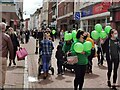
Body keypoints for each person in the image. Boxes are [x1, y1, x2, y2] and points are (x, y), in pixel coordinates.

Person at [0, 22, 14, 90]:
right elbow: (11, 48)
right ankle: (1, 86)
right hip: (3, 57)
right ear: (5, 28)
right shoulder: (7, 37)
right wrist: (11, 58)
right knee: (2, 72)